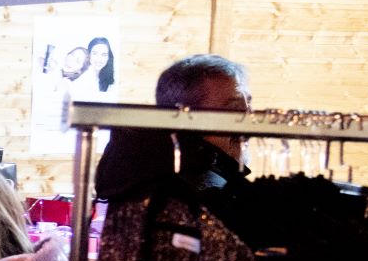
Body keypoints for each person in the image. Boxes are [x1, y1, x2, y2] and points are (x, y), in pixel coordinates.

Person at [93, 54, 252, 222]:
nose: (248, 120)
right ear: (186, 117)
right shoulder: (193, 188)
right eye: (235, 109)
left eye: (248, 105)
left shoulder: (140, 168)